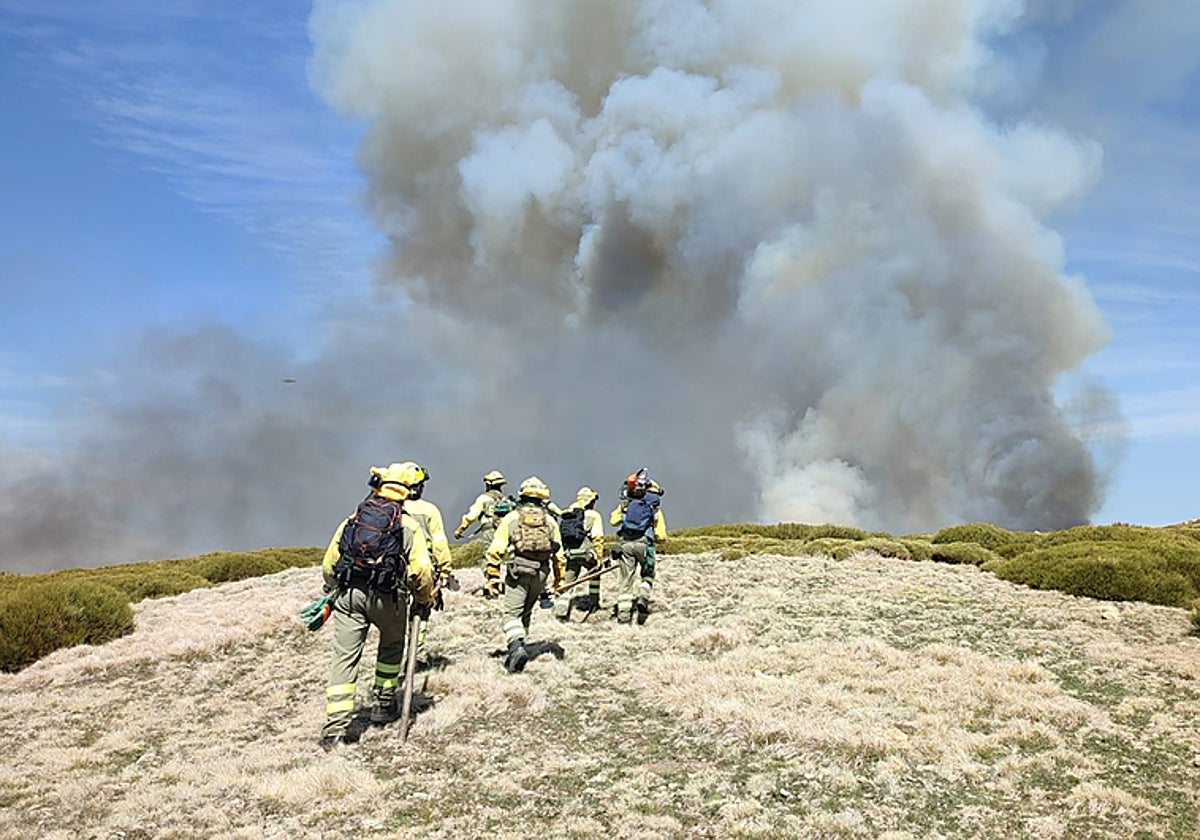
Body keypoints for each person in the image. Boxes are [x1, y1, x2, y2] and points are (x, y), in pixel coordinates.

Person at [319, 463, 438, 751]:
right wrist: (424, 599)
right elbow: (421, 571)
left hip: (348, 596)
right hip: (388, 598)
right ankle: (383, 706)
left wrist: (335, 590)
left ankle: (335, 728)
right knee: (391, 648)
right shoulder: (406, 525)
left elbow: (328, 564)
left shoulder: (353, 519)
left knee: (344, 657)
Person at [484, 476, 565, 673]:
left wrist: (492, 575)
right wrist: (559, 581)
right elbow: (559, 556)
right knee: (526, 612)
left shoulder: (511, 518)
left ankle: (515, 646)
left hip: (518, 571)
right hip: (541, 574)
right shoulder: (551, 521)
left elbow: (496, 549)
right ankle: (521, 646)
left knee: (511, 613)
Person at [393, 461, 453, 662]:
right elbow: (439, 542)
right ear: (418, 486)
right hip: (424, 569)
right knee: (422, 610)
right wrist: (445, 570)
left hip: (396, 570)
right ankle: (413, 654)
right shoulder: (430, 510)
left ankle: (396, 654)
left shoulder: (391, 507)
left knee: (396, 613)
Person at [608, 468, 667, 625]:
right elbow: (661, 535)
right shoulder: (654, 509)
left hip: (626, 545)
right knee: (647, 574)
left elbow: (613, 521)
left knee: (626, 580)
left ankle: (624, 616)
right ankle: (643, 596)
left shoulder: (626, 505)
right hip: (644, 544)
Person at [553, 486, 605, 622]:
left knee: (568, 583)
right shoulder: (594, 515)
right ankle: (594, 604)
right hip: (586, 553)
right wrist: (599, 557)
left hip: (570, 554)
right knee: (595, 574)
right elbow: (597, 537)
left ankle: (561, 612)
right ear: (590, 501)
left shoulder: (567, 514)